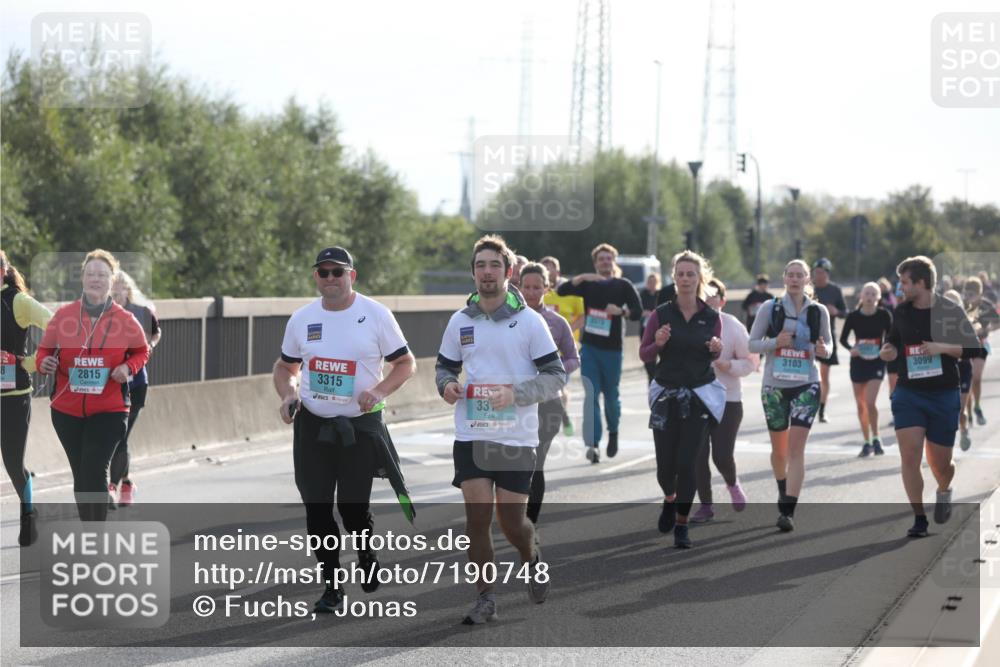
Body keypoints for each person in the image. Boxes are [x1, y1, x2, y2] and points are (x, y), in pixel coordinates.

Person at [273, 246, 416, 614]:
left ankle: (366, 552)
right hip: (313, 428)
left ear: (352, 275)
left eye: (338, 271)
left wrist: (379, 391)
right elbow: (284, 367)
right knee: (317, 510)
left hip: (358, 428)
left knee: (352, 509)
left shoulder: (375, 315)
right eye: (323, 272)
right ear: (315, 277)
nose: (331, 278)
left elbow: (405, 363)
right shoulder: (302, 319)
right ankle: (332, 586)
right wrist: (289, 394)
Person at [436, 235, 566, 623]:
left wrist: (517, 394)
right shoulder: (460, 321)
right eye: (480, 266)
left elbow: (555, 375)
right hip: (473, 432)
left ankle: (532, 556)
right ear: (473, 273)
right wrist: (447, 385)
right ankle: (485, 597)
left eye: (494, 265)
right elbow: (444, 367)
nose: (487, 272)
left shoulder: (530, 322)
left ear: (508, 272)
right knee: (476, 520)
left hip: (516, 436)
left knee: (512, 523)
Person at [36, 250, 149, 522]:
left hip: (110, 408)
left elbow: (142, 352)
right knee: (81, 474)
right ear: (83, 279)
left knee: (96, 469)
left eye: (101, 275)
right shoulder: (63, 316)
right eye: (90, 274)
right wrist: (45, 363)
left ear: (111, 280)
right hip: (66, 409)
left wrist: (127, 368)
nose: (95, 279)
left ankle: (95, 538)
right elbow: (43, 351)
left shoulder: (125, 320)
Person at [879, 256, 979, 538]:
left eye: (905, 282)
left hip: (943, 394)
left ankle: (944, 489)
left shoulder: (950, 310)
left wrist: (941, 347)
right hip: (909, 392)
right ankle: (919, 517)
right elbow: (894, 341)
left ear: (921, 283)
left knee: (940, 463)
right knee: (909, 457)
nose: (901, 287)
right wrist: (889, 350)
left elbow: (972, 348)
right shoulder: (901, 312)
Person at [640, 251, 724, 548]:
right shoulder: (661, 314)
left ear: (700, 278)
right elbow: (645, 353)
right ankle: (669, 498)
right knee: (666, 468)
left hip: (698, 397)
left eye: (691, 274)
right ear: (674, 278)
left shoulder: (711, 317)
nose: (686, 279)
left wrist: (716, 348)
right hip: (666, 395)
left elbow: (716, 353)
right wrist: (658, 342)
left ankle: (682, 525)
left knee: (687, 464)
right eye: (681, 274)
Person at [749, 260, 832, 532]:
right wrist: (776, 343)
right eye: (791, 275)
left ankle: (788, 510)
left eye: (800, 275)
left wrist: (822, 350)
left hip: (806, 384)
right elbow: (752, 343)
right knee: (780, 451)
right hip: (774, 386)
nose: (795, 279)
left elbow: (828, 347)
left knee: (797, 451)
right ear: (784, 278)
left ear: (807, 279)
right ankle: (782, 488)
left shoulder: (818, 312)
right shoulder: (768, 308)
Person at [557, 243, 642, 462]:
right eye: (601, 259)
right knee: (591, 395)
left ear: (613, 262)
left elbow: (637, 312)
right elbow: (562, 290)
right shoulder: (588, 285)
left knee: (611, 396)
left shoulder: (623, 285)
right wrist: (584, 277)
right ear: (595, 263)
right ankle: (593, 444)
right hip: (591, 349)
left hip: (613, 350)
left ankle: (613, 433)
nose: (605, 262)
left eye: (608, 258)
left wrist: (621, 311)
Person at [690, 278, 758, 523]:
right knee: (697, 454)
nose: (708, 299)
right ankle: (706, 506)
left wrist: (729, 365)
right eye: (704, 294)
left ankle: (732, 483)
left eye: (713, 295)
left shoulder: (732, 326)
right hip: (696, 399)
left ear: (722, 300)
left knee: (721, 454)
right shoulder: (689, 324)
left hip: (727, 399)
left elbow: (751, 361)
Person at [518, 263, 579, 525]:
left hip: (548, 403)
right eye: (526, 287)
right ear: (518, 288)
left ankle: (529, 524)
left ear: (547, 287)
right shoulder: (505, 319)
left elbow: (574, 358)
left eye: (536, 287)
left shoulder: (556, 322)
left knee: (535, 461)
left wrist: (554, 374)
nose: (531, 293)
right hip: (514, 403)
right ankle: (512, 514)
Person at [1, 250, 52, 545]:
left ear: (3, 271)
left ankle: (28, 513)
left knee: (12, 463)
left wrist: (28, 362)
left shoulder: (17, 301)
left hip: (13, 396)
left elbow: (56, 325)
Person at [107, 271, 161, 508]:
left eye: (119, 288)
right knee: (117, 435)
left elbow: (156, 332)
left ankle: (111, 485)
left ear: (128, 290)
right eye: (112, 288)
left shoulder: (141, 312)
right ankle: (126, 483)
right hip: (111, 383)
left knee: (121, 434)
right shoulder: (103, 312)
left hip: (136, 383)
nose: (115, 292)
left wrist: (148, 345)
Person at [840, 282, 893, 457]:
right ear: (861, 296)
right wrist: (851, 349)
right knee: (861, 405)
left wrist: (886, 348)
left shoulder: (884, 315)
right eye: (867, 293)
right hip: (858, 362)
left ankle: (877, 438)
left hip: (877, 361)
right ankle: (866, 441)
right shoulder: (854, 316)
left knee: (870, 402)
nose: (869, 297)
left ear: (878, 297)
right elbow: (843, 339)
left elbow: (892, 336)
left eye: (873, 294)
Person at [540, 255, 583, 437]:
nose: (548, 271)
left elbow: (582, 316)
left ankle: (560, 415)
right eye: (545, 268)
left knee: (558, 383)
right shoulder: (540, 292)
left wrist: (567, 330)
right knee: (552, 385)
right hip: (544, 346)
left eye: (551, 268)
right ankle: (560, 416)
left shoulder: (571, 292)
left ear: (558, 272)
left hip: (566, 347)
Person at [811, 258, 845, 423]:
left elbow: (845, 312)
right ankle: (806, 406)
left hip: (827, 337)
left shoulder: (835, 290)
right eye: (816, 272)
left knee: (824, 376)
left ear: (827, 273)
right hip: (808, 336)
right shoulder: (809, 289)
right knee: (808, 374)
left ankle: (822, 411)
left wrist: (836, 311)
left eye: (822, 273)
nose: (818, 275)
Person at [963, 277, 999, 426]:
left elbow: (997, 321)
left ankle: (977, 406)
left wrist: (989, 329)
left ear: (980, 293)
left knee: (976, 377)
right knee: (968, 379)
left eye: (973, 294)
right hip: (965, 346)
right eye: (968, 293)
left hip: (981, 345)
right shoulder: (962, 307)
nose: (970, 297)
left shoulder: (987, 306)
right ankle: (969, 411)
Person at [942, 290, 975, 451]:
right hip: (946, 371)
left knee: (960, 409)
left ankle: (964, 430)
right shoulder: (937, 324)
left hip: (963, 369)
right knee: (946, 409)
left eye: (953, 303)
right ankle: (944, 443)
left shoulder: (965, 325)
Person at [639, 273, 662, 382]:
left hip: (660, 328)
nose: (652, 284)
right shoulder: (643, 294)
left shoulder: (661, 294)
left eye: (654, 282)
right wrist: (644, 313)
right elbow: (637, 310)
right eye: (650, 282)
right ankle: (651, 378)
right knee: (649, 360)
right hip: (645, 328)